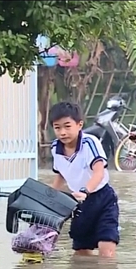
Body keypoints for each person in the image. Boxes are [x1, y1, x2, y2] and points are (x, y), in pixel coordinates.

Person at [49, 102, 119, 257]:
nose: (62, 132)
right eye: (57, 127)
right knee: (81, 252)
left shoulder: (89, 142)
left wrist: (85, 190)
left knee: (106, 249)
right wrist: (50, 197)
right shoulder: (55, 148)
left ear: (79, 124)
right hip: (79, 204)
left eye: (67, 126)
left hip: (103, 199)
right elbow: (61, 174)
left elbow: (99, 172)